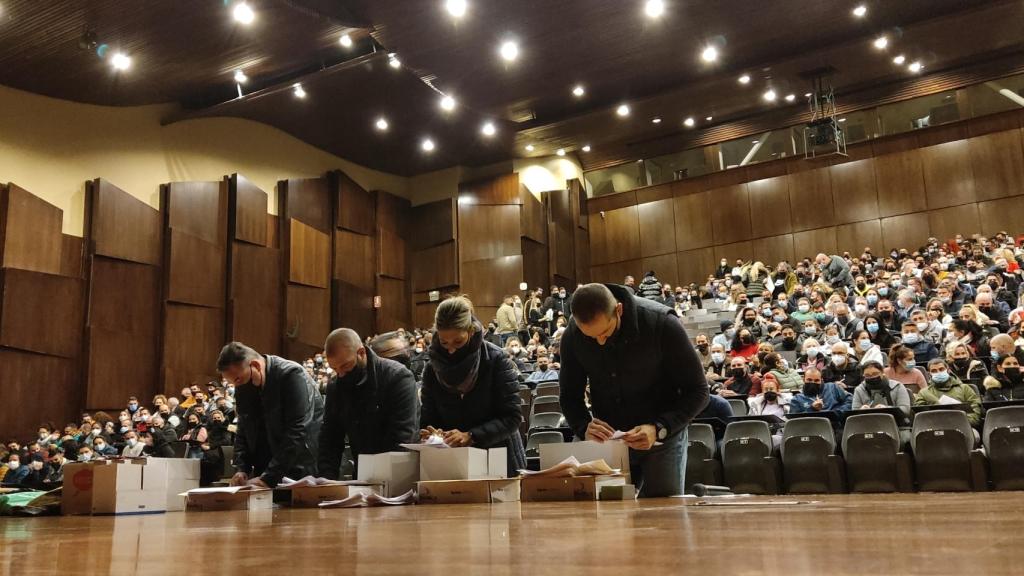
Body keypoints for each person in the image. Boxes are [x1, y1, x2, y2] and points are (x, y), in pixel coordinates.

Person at [559, 283, 709, 498]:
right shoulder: (573, 334)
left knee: (663, 514)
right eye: (590, 337)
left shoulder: (662, 323)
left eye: (604, 332)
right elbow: (569, 395)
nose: (599, 342)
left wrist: (659, 428)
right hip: (609, 438)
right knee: (603, 517)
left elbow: (699, 391)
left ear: (618, 310)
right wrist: (583, 426)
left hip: (661, 437)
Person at [420, 296, 526, 474]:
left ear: (471, 331)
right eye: (444, 342)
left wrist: (471, 436)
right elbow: (428, 417)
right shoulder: (432, 368)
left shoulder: (496, 359)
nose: (451, 350)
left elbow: (512, 417)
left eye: (458, 342)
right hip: (453, 461)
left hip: (498, 459)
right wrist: (432, 433)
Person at [217, 341, 325, 488]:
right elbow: (244, 427)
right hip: (268, 468)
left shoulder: (291, 375)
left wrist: (269, 477)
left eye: (237, 379)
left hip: (300, 465)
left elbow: (298, 429)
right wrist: (242, 468)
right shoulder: (243, 383)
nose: (237, 386)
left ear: (255, 366)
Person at [318, 328, 419, 480]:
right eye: (335, 369)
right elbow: (330, 438)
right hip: (362, 475)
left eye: (345, 366)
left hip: (399, 475)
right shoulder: (336, 386)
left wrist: (382, 480)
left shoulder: (397, 377)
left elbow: (403, 437)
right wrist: (326, 480)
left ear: (361, 352)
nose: (341, 374)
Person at [915, 358, 982, 428]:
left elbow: (975, 414)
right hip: (935, 428)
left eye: (941, 369)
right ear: (929, 374)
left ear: (948, 370)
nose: (938, 372)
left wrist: (958, 421)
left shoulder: (965, 388)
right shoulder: (923, 393)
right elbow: (921, 417)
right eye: (934, 371)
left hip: (963, 426)